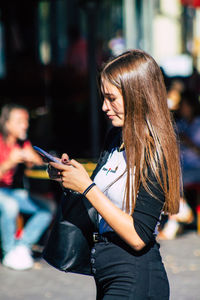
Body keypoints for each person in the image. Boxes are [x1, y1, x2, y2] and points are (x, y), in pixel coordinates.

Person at [48, 50, 181, 299]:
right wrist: (70, 180)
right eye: (103, 97)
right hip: (105, 269)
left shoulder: (155, 150)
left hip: (134, 274)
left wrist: (87, 187)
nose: (103, 107)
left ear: (136, 96)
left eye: (111, 98)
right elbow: (102, 199)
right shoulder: (115, 138)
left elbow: (138, 236)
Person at [0, 103, 53, 270]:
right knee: (11, 205)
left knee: (47, 207)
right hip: (5, 195)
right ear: (6, 123)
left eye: (26, 120)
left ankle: (22, 246)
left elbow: (39, 166)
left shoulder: (22, 143)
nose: (25, 125)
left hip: (9, 192)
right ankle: (8, 252)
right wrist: (10, 162)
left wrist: (33, 159)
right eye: (20, 121)